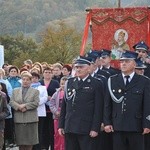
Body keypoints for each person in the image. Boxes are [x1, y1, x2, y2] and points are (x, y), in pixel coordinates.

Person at [104, 50, 150, 150]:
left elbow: (147, 104)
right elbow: (107, 104)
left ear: (134, 64)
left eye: (127, 61)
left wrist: (147, 123)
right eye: (122, 61)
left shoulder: (144, 81)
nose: (123, 63)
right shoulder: (112, 80)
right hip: (117, 125)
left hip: (136, 126)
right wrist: (107, 122)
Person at [58, 56, 104, 150]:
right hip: (70, 126)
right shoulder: (70, 82)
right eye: (77, 67)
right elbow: (65, 106)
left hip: (86, 127)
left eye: (81, 67)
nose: (78, 69)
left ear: (89, 68)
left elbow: (98, 108)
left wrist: (95, 128)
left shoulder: (96, 83)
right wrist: (61, 125)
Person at [10, 72, 39, 150]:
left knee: (30, 142)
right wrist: (19, 107)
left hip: (31, 120)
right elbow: (11, 102)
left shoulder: (35, 91)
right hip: (19, 120)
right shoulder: (15, 91)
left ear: (30, 81)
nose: (25, 81)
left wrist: (25, 106)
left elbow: (36, 103)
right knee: (20, 142)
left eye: (27, 80)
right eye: (23, 79)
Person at [40, 67, 59, 150]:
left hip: (51, 110)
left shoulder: (55, 83)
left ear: (51, 73)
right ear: (43, 73)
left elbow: (58, 94)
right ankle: (44, 146)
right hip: (41, 109)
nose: (47, 74)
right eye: (46, 72)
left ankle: (52, 145)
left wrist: (52, 98)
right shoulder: (40, 83)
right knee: (43, 129)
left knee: (51, 129)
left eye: (49, 72)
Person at [49, 76, 68, 150]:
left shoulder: (70, 94)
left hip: (66, 118)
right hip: (57, 117)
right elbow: (51, 103)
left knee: (65, 135)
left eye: (65, 84)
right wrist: (56, 112)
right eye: (62, 84)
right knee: (57, 135)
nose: (63, 86)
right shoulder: (56, 93)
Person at [31, 72, 48, 150]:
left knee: (39, 130)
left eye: (36, 78)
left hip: (40, 112)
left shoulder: (43, 87)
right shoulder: (28, 88)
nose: (34, 79)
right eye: (32, 77)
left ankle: (39, 147)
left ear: (38, 79)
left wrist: (36, 103)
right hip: (30, 112)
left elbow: (45, 97)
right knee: (32, 130)